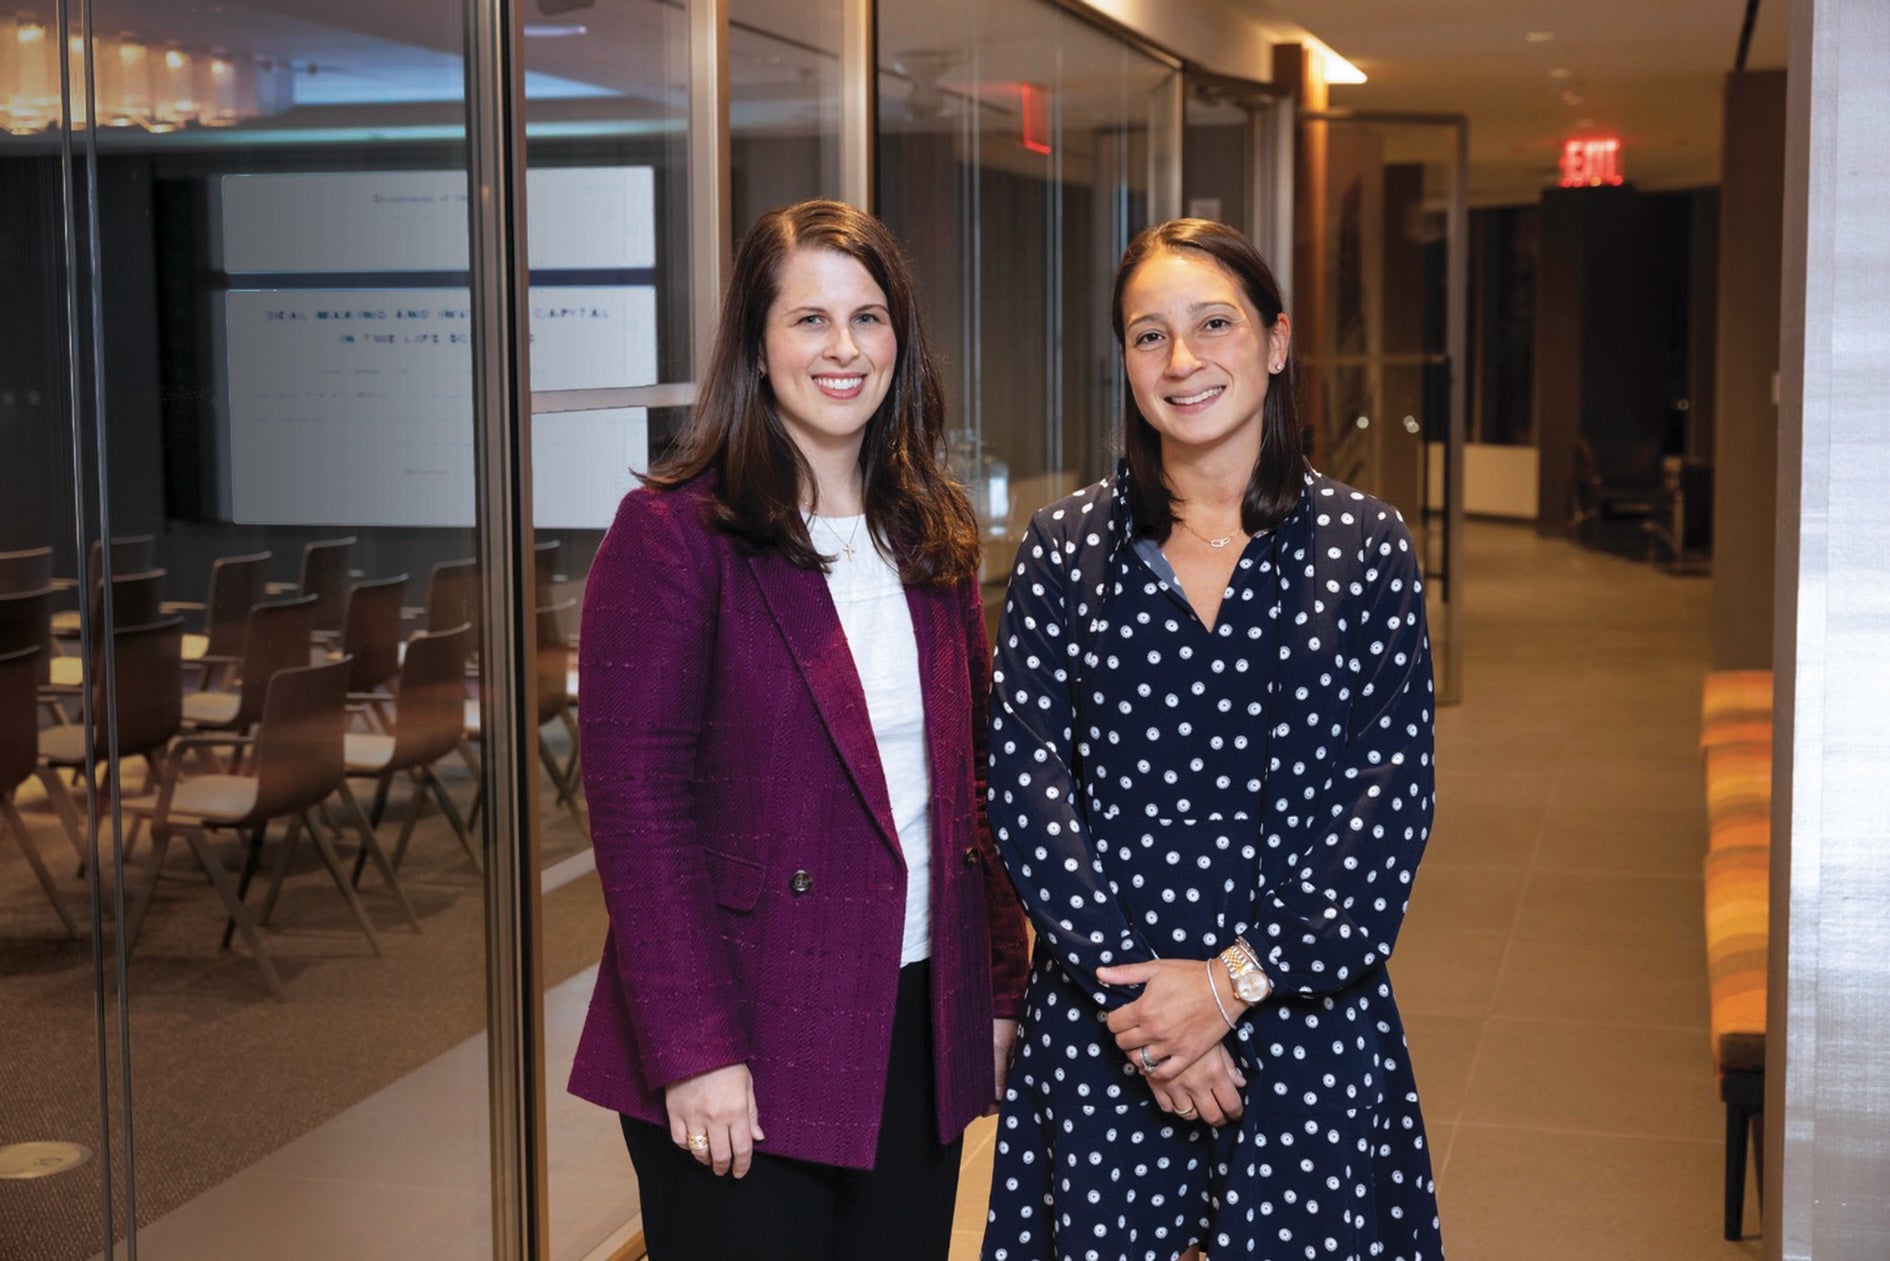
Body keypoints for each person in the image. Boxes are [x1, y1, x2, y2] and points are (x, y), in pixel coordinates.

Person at [568, 198, 1030, 1261]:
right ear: (758, 342)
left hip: (917, 1019)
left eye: (868, 319)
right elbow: (639, 814)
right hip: (748, 1026)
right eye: (810, 320)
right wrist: (694, 1050)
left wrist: (998, 991)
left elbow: (973, 787)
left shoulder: (930, 528)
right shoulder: (675, 534)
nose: (843, 348)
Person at [981, 218, 1443, 1261]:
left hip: (1306, 1018)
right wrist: (1152, 1013)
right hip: (1110, 1024)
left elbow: (1390, 802)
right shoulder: (1066, 550)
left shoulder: (1365, 548)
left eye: (1214, 324)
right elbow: (1026, 784)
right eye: (1150, 336)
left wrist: (1229, 983)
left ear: (1276, 341)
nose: (1183, 361)